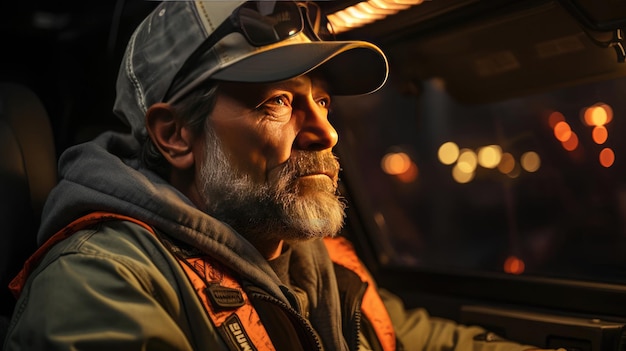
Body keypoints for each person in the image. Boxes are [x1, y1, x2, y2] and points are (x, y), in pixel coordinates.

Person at [2, 1, 563, 350]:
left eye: (321, 101)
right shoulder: (102, 285)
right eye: (277, 102)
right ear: (175, 136)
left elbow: (422, 339)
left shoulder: (314, 262)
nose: (326, 132)